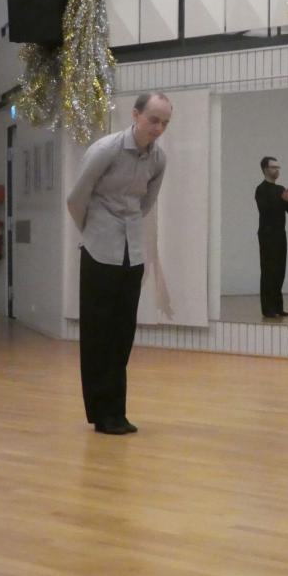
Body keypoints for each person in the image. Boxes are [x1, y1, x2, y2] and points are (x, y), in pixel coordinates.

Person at [66, 92, 171, 436]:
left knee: (122, 334)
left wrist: (127, 228)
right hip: (99, 249)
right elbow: (76, 198)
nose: (158, 128)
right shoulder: (105, 150)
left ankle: (117, 412)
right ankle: (100, 413)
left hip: (133, 252)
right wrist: (94, 230)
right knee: (98, 332)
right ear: (135, 115)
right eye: (153, 120)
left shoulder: (159, 159)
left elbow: (146, 203)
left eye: (165, 123)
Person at [255, 156, 288, 318]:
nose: (277, 170)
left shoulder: (280, 189)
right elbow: (264, 210)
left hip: (280, 234)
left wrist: (287, 200)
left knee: (280, 271)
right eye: (273, 167)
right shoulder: (261, 189)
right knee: (268, 271)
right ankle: (267, 308)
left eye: (278, 167)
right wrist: (282, 200)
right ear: (265, 169)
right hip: (267, 235)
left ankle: (278, 307)